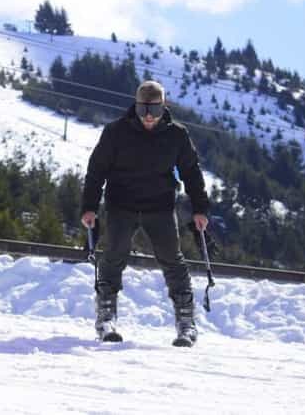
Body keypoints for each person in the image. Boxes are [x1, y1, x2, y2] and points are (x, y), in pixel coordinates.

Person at [81, 80, 209, 347]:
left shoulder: (177, 135)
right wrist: (89, 207)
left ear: (165, 107)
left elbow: (192, 173)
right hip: (121, 205)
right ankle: (106, 318)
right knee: (114, 256)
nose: (149, 116)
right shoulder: (116, 132)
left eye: (155, 109)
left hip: (159, 206)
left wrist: (200, 209)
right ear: (135, 107)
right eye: (142, 110)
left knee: (173, 261)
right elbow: (96, 171)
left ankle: (186, 322)